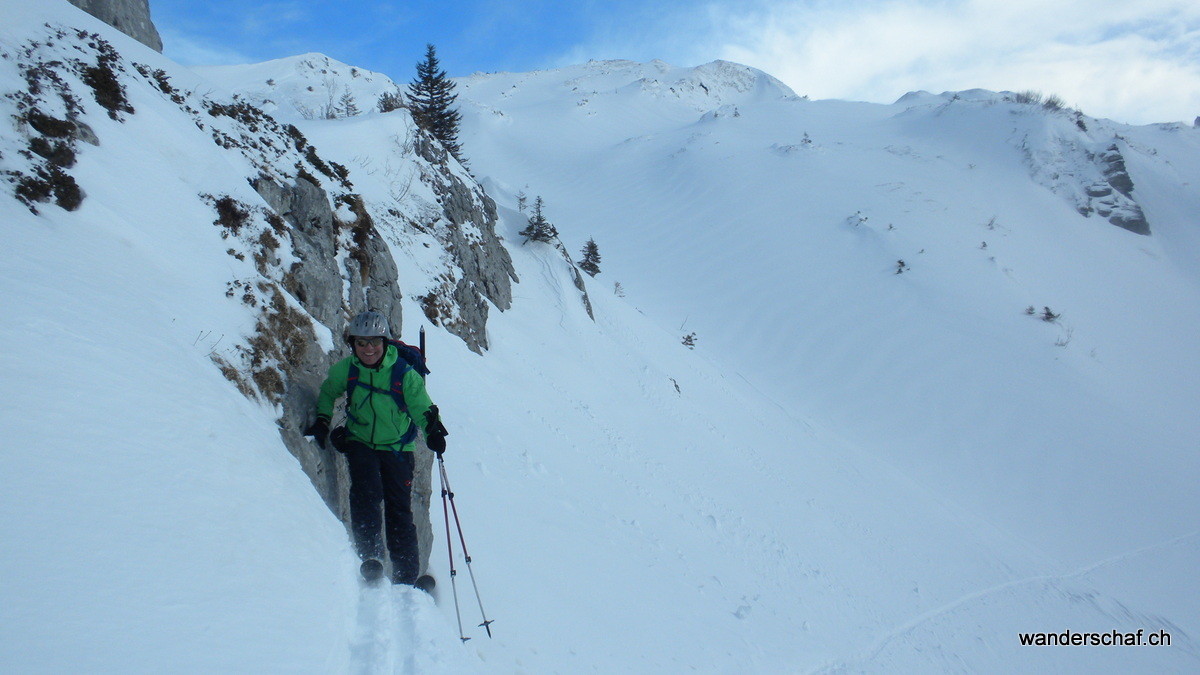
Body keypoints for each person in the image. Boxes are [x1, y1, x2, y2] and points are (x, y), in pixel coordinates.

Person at [303, 310, 448, 585]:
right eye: (361, 343)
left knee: (399, 510)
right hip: (360, 442)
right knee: (365, 497)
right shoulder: (347, 369)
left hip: (397, 449)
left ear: (385, 343)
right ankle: (371, 558)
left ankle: (406, 577)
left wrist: (434, 431)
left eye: (374, 342)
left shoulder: (404, 374)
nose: (368, 349)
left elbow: (423, 407)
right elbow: (328, 392)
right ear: (353, 344)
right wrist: (322, 420)